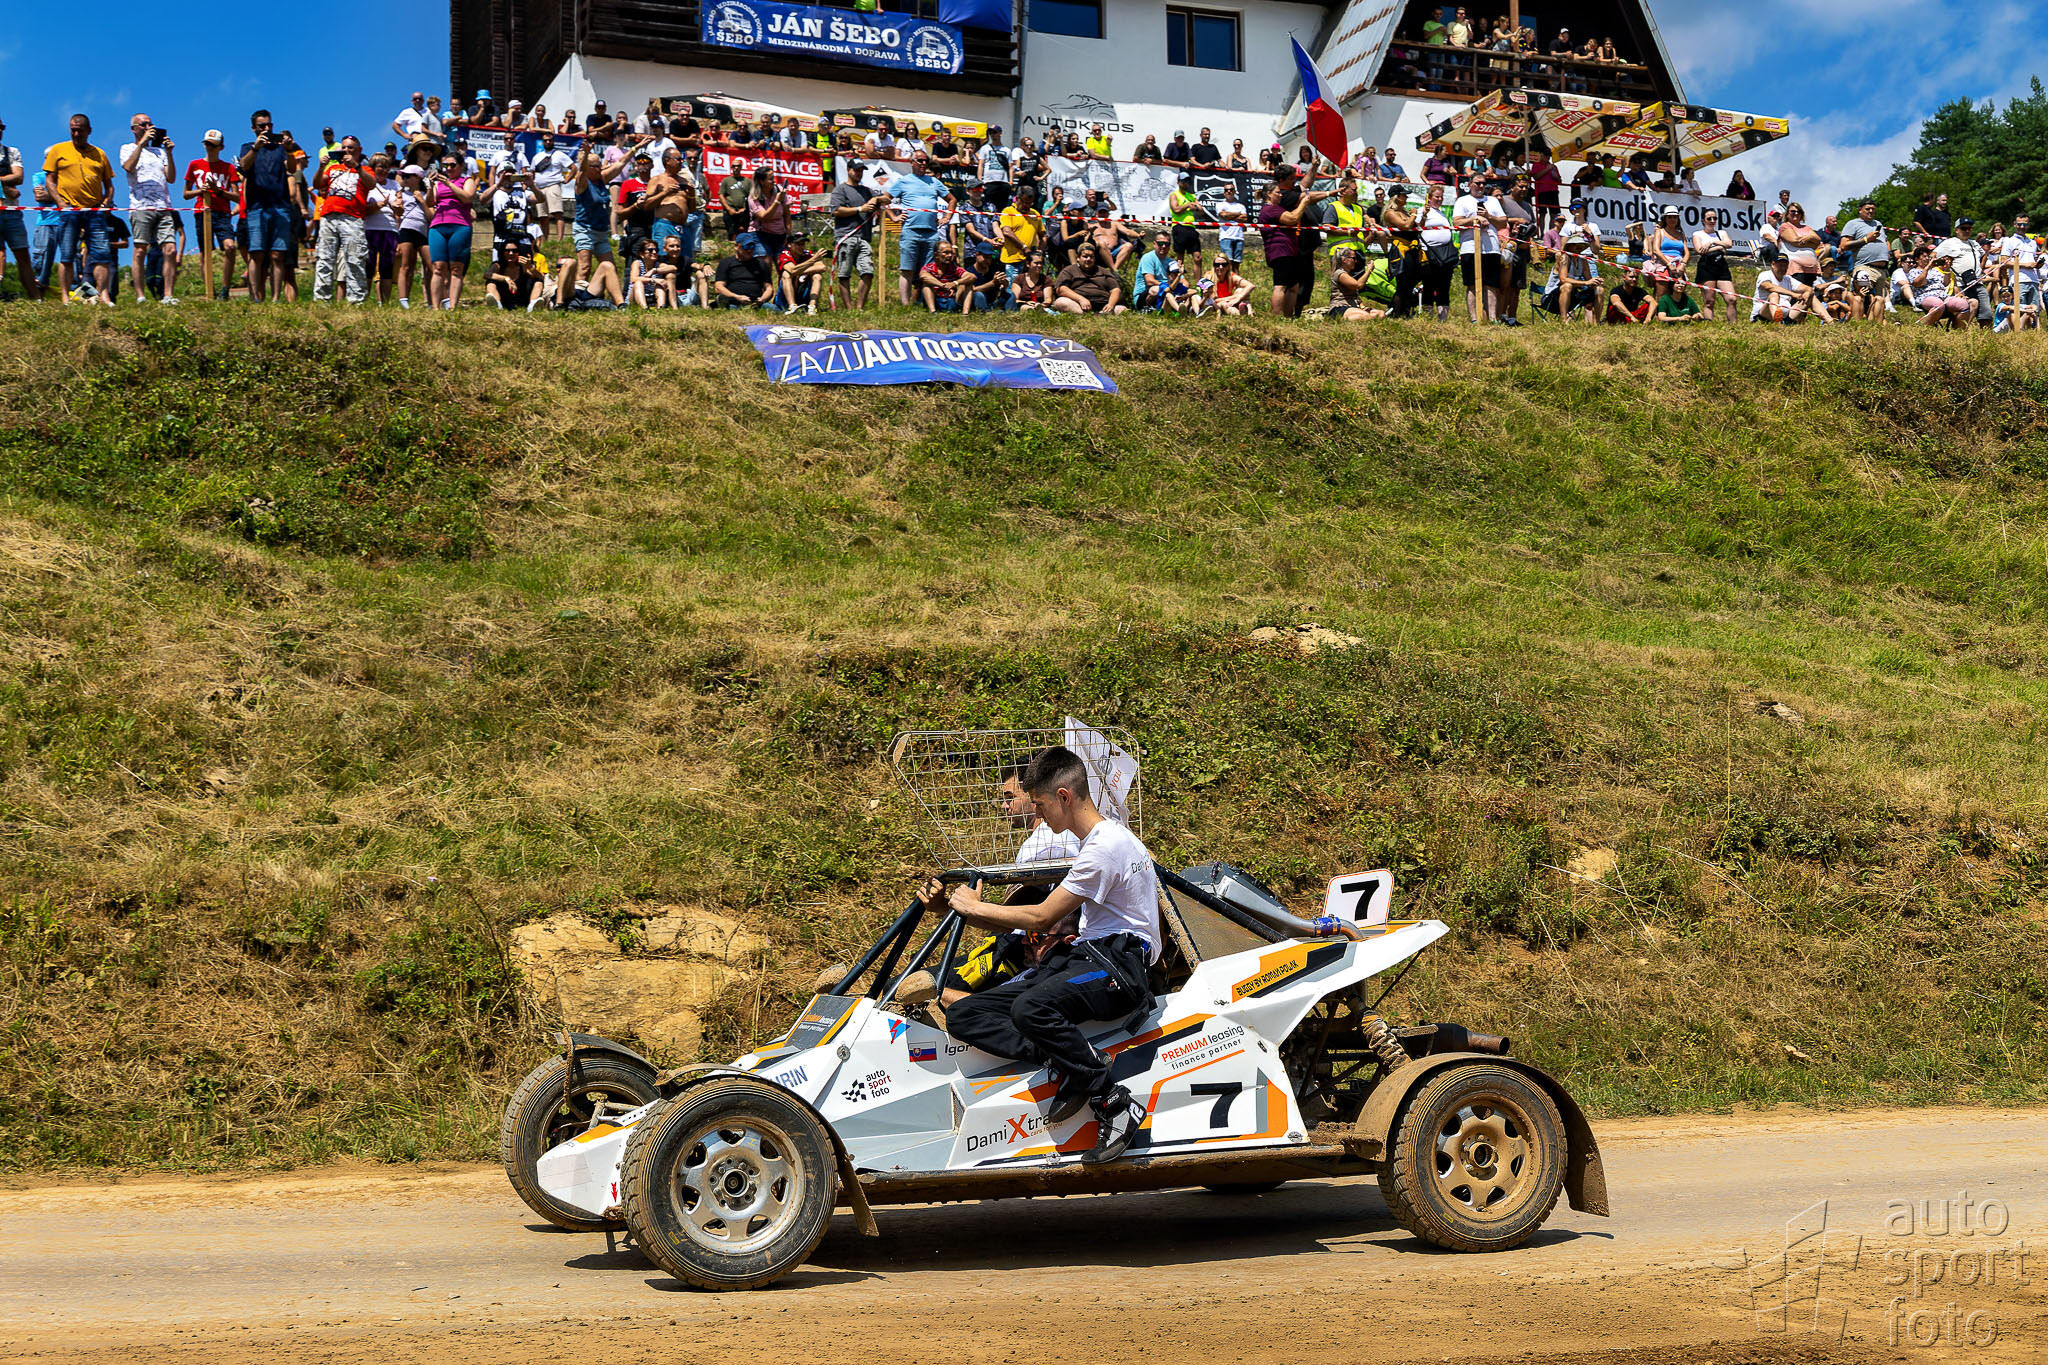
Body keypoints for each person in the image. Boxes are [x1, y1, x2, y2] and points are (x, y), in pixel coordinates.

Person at [935, 745, 1160, 1166]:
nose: (1037, 814)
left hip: (1119, 966)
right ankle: (1071, 1062)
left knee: (1030, 1007)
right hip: (1088, 957)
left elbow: (1041, 917)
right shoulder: (1098, 842)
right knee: (965, 1014)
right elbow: (1020, 922)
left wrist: (976, 907)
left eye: (1039, 804)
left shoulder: (1105, 847)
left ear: (1063, 796)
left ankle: (1113, 1101)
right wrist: (955, 907)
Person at [44, 114, 117, 305]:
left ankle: (104, 295)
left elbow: (109, 185)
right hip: (69, 211)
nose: (76, 134)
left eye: (80, 130)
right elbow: (49, 180)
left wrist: (106, 202)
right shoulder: (58, 150)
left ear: (89, 131)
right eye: (73, 130)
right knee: (67, 255)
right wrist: (60, 202)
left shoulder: (100, 154)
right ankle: (65, 297)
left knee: (102, 255)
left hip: (95, 211)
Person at [238, 111, 301, 302]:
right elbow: (244, 166)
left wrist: (289, 150)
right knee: (256, 253)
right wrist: (256, 148)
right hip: (256, 206)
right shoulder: (247, 147)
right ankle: (256, 297)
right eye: (262, 126)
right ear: (253, 129)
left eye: (269, 125)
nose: (266, 129)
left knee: (277, 254)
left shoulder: (280, 148)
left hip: (279, 206)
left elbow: (292, 168)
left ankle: (275, 298)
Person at [119, 113, 181, 303]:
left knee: (170, 250)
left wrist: (169, 153)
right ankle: (140, 295)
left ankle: (168, 295)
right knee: (140, 251)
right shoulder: (127, 148)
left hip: (163, 206)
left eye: (150, 124)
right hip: (140, 207)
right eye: (143, 124)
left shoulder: (159, 152)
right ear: (134, 129)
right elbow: (128, 167)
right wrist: (142, 143)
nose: (148, 127)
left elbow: (171, 178)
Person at [555, 149, 626, 308]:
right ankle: (576, 300)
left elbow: (621, 164)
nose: (601, 168)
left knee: (610, 266)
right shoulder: (582, 182)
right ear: (588, 168)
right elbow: (581, 172)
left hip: (601, 232)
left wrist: (636, 148)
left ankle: (615, 302)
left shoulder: (601, 178)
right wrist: (585, 156)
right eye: (597, 166)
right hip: (585, 230)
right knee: (585, 267)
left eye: (600, 165)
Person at [1259, 166, 1329, 318]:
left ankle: (1288, 317)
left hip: (1289, 250)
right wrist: (1304, 202)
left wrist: (1314, 167)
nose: (1280, 195)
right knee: (1281, 286)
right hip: (1279, 251)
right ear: (1269, 194)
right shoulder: (1270, 209)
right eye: (1277, 193)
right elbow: (1292, 218)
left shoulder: (1275, 207)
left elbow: (1304, 185)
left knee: (1293, 287)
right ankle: (1277, 318)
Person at [311, 137, 373, 304]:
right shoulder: (333, 168)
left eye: (350, 148)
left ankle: (356, 302)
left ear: (359, 150)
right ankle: (322, 301)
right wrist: (321, 167)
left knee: (354, 259)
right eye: (344, 148)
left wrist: (356, 167)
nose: (346, 151)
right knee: (324, 258)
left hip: (352, 218)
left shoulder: (365, 169)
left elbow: (371, 184)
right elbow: (317, 184)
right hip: (329, 216)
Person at [889, 150, 954, 306]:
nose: (923, 163)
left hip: (931, 233)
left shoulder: (934, 182)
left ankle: (925, 303)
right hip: (910, 230)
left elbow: (952, 200)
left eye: (926, 160)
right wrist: (893, 217)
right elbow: (886, 199)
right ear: (912, 163)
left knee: (927, 271)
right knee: (907, 270)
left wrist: (947, 217)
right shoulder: (903, 181)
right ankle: (905, 305)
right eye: (920, 160)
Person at [183, 130, 240, 300]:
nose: (209, 148)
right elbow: (185, 194)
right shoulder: (195, 165)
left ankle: (225, 289)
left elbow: (237, 197)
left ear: (221, 147)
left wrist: (218, 191)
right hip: (202, 211)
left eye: (213, 145)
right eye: (207, 144)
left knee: (230, 247)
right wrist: (200, 191)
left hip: (222, 212)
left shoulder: (229, 168)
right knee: (205, 252)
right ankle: (210, 292)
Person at [427, 151, 481, 309]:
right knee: (438, 267)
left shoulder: (467, 180)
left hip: (460, 225)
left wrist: (449, 184)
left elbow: (468, 197)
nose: (449, 168)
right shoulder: (438, 184)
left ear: (461, 165)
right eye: (446, 165)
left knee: (456, 268)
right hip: (438, 225)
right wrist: (431, 186)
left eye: (452, 165)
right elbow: (430, 202)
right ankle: (435, 307)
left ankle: (452, 306)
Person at [829, 161, 885, 310]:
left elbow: (887, 199)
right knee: (844, 274)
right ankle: (849, 309)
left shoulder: (867, 191)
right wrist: (860, 208)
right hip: (845, 236)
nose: (859, 173)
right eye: (856, 170)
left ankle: (859, 307)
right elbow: (836, 211)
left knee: (868, 272)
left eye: (861, 170)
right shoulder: (840, 190)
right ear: (848, 170)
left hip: (864, 238)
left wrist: (876, 199)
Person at [1452, 174, 1505, 322]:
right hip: (1470, 247)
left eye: (1483, 183)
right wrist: (1474, 219)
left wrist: (1489, 217)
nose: (1481, 186)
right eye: (1477, 183)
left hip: (1491, 247)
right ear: (1470, 184)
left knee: (1491, 284)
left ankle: (1492, 318)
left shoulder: (1493, 201)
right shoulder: (1462, 201)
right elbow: (1457, 222)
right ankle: (1474, 318)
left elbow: (1503, 222)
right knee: (1471, 284)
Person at [0, 119, 38, 300]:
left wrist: (2, 184)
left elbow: (19, 177)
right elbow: (13, 179)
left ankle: (35, 298)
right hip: (9, 204)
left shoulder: (12, 152)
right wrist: (8, 186)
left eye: (1, 128)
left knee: (23, 255)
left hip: (11, 210)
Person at [1838, 200, 1891, 322]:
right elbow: (1844, 245)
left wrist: (1887, 251)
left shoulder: (1878, 223)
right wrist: (1866, 239)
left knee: (1879, 300)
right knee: (1861, 297)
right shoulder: (1853, 223)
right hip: (1864, 267)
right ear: (1860, 210)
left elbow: (1886, 240)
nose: (1871, 211)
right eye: (1867, 209)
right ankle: (1857, 324)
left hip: (1882, 270)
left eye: (1873, 209)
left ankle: (1876, 326)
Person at [1556, 200, 1603, 322]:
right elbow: (1563, 248)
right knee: (1569, 287)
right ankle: (1566, 319)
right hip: (1571, 259)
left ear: (1584, 209)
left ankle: (1593, 323)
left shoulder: (1593, 226)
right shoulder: (1567, 227)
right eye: (1572, 207)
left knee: (1595, 290)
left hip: (1588, 259)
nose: (1575, 209)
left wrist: (1590, 234)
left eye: (1578, 207)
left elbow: (1596, 250)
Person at [392, 162, 431, 307]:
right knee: (406, 265)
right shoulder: (401, 194)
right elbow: (398, 215)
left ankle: (432, 300)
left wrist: (422, 201)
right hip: (407, 228)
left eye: (408, 176)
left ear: (418, 177)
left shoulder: (427, 195)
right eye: (404, 176)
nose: (405, 179)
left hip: (423, 231)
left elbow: (430, 216)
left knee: (431, 265)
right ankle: (404, 300)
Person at [1417, 184, 1457, 320]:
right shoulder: (1422, 211)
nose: (1439, 199)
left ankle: (1443, 318)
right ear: (1429, 198)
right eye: (1436, 197)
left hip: (1445, 254)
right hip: (1430, 253)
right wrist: (1424, 214)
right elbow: (1418, 226)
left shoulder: (1442, 213)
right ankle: (1428, 317)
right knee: (1429, 284)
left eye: (1441, 197)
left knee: (1444, 286)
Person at [1051, 240, 1125, 314]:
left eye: (1091, 257)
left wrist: (1110, 304)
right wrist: (1081, 299)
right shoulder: (1069, 270)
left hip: (1103, 304)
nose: (1088, 259)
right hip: (1078, 305)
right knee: (1060, 302)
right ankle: (1085, 314)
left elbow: (1115, 290)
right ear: (1078, 258)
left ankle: (1102, 313)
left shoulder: (1103, 271)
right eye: (1085, 256)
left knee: (1122, 309)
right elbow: (1061, 289)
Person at [997, 184, 1042, 302]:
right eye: (1025, 202)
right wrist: (1023, 247)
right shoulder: (1008, 211)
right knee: (1011, 290)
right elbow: (1006, 231)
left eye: (1030, 203)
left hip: (1030, 261)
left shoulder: (1035, 214)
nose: (1027, 206)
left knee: (1028, 289)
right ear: (1017, 198)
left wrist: (1040, 250)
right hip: (1012, 259)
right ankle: (1008, 307)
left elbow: (1043, 234)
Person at [1690, 207, 1736, 321]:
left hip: (1721, 266)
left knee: (1731, 299)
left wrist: (1712, 242)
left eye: (1714, 218)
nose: (1712, 221)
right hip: (1706, 267)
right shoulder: (1697, 234)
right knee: (1709, 301)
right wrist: (1720, 247)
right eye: (1709, 218)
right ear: (1703, 220)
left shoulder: (1721, 233)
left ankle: (1734, 326)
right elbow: (1700, 250)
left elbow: (1729, 244)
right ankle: (1709, 324)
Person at [712, 232, 777, 310]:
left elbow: (769, 288)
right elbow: (718, 287)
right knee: (731, 308)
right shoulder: (726, 263)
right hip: (733, 301)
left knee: (774, 309)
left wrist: (762, 299)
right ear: (736, 246)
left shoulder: (761, 264)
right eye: (746, 247)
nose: (749, 250)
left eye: (752, 247)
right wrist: (736, 296)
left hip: (756, 302)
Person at [530, 131, 574, 243]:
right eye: (545, 140)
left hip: (553, 186)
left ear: (553, 141)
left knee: (557, 213)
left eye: (550, 140)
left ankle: (559, 241)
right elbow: (532, 173)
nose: (548, 142)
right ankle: (544, 242)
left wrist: (566, 180)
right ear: (542, 142)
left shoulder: (559, 154)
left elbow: (574, 168)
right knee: (542, 216)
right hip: (539, 188)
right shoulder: (537, 157)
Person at [1998, 213, 2040, 328]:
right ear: (2014, 224)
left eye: (2025, 224)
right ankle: (2019, 333)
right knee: (2020, 310)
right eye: (2019, 224)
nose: (2022, 227)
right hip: (2019, 279)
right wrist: (2026, 265)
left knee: (2035, 311)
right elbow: (2004, 262)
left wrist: (2037, 265)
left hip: (2034, 280)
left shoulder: (2032, 242)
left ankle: (2034, 334)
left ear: (2028, 225)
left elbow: (2034, 261)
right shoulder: (2009, 241)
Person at [779, 229, 832, 313]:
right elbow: (792, 270)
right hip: (785, 296)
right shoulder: (784, 254)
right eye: (798, 244)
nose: (802, 247)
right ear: (789, 245)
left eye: (803, 244)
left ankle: (812, 307)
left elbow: (822, 267)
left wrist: (800, 271)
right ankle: (792, 306)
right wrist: (813, 260)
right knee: (786, 274)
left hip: (804, 291)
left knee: (817, 275)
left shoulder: (807, 253)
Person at [1327, 247, 1387, 320]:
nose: (1355, 261)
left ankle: (1364, 318)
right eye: (1353, 258)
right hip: (1340, 307)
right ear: (1344, 260)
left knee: (1381, 314)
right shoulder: (1340, 274)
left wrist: (1362, 307)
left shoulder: (1348, 274)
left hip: (1353, 307)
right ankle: (1340, 319)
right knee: (1366, 316)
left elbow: (1355, 295)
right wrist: (1369, 270)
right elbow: (1358, 285)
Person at [1751, 254, 1813, 324]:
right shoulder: (1765, 275)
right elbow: (1768, 286)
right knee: (1774, 295)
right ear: (1773, 264)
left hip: (1786, 315)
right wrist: (1792, 294)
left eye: (1785, 266)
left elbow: (1808, 288)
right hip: (1763, 314)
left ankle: (1823, 318)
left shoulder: (1788, 279)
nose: (1783, 268)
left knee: (1810, 296)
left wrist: (1807, 294)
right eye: (1780, 265)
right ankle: (1778, 323)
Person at [487, 239, 547, 311]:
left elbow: (541, 277)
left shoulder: (523, 266)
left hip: (522, 298)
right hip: (505, 298)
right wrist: (506, 278)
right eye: (507, 251)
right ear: (502, 252)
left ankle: (532, 305)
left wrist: (530, 267)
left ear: (519, 253)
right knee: (490, 282)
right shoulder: (498, 265)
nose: (511, 253)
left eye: (514, 251)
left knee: (538, 282)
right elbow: (487, 274)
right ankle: (497, 305)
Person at [917, 239, 971, 312]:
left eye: (951, 253)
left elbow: (972, 276)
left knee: (968, 283)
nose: (950, 255)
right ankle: (933, 311)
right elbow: (923, 276)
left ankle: (965, 313)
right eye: (946, 252)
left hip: (951, 299)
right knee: (926, 284)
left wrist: (955, 283)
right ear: (936, 255)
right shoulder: (929, 267)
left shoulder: (955, 269)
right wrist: (943, 286)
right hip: (935, 299)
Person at [627, 235, 674, 308]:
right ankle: (644, 308)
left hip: (652, 296)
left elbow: (673, 268)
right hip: (635, 296)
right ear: (642, 254)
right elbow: (633, 279)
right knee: (638, 283)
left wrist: (654, 270)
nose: (654, 252)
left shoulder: (658, 265)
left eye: (656, 250)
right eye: (650, 250)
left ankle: (660, 308)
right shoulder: (637, 263)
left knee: (659, 285)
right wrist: (653, 280)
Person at [1134, 232, 1175, 311]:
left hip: (1167, 290)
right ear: (1154, 244)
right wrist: (1168, 287)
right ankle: (1146, 308)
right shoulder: (1148, 258)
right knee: (1156, 290)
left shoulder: (1171, 262)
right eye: (1160, 243)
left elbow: (1184, 281)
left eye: (1167, 244)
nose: (1163, 246)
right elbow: (1149, 281)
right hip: (1145, 295)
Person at [1206, 251, 1252, 315]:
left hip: (1230, 301)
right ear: (1214, 266)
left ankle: (1248, 310)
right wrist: (1234, 297)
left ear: (1228, 266)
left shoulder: (1231, 276)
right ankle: (1242, 312)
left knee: (1240, 290)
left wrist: (1239, 297)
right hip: (1216, 304)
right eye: (1217, 265)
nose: (1221, 267)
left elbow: (1250, 285)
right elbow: (1213, 299)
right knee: (1224, 304)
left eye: (1224, 265)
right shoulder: (1209, 277)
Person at [1214, 183, 1246, 263]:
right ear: (1224, 192)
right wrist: (1238, 214)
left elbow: (1244, 218)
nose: (1229, 191)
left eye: (1231, 190)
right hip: (1226, 237)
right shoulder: (1220, 205)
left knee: (1236, 264)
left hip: (1239, 237)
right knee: (1227, 263)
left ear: (1234, 191)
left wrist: (1228, 215)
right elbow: (1223, 215)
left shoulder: (1241, 206)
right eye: (1226, 190)